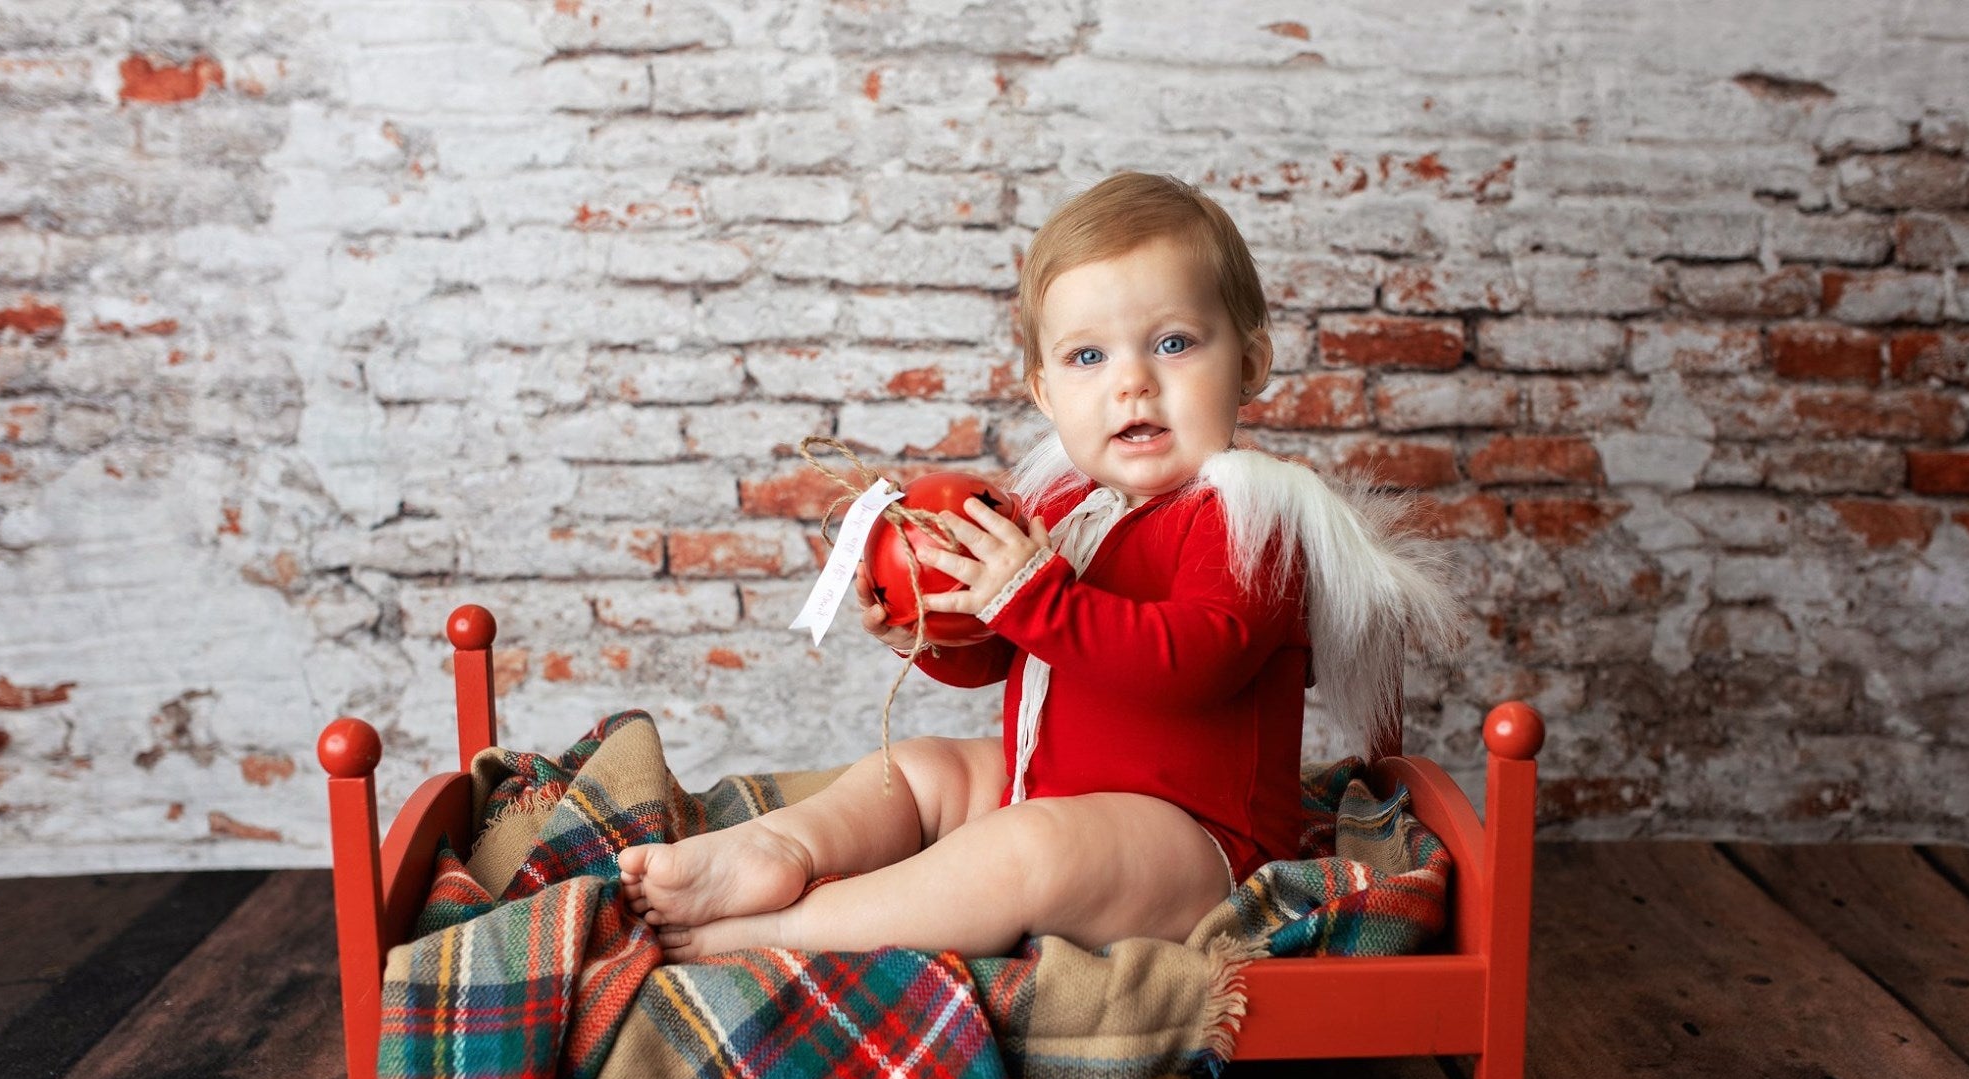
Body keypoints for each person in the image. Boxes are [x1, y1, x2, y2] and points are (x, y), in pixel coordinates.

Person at [619, 171, 1457, 961]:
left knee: (1027, 850)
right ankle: (776, 848)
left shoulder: (1251, 517)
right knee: (927, 768)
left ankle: (787, 927)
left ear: (1249, 363)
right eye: (1089, 357)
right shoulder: (1067, 508)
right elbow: (1022, 649)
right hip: (1051, 784)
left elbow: (1196, 662)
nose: (1132, 384)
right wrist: (937, 628)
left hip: (1195, 844)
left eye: (1172, 343)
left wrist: (1033, 596)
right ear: (1045, 392)